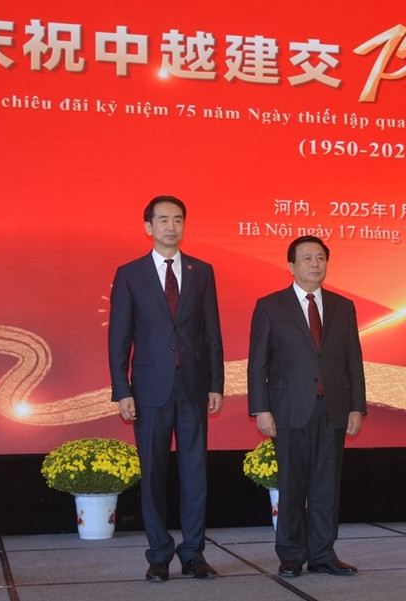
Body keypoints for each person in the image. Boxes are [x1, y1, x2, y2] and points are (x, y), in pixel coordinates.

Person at [108, 195, 224, 583]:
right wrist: (122, 389)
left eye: (177, 219)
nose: (171, 226)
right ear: (148, 227)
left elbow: (212, 332)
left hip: (193, 386)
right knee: (153, 475)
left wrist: (216, 383)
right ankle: (159, 555)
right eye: (163, 220)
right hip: (148, 389)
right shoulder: (130, 273)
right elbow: (119, 337)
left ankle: (193, 555)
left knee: (195, 475)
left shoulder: (201, 271)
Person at [247, 235, 367, 578]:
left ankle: (323, 554)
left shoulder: (343, 307)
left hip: (334, 409)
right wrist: (261, 409)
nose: (315, 264)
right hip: (288, 409)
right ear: (291, 265)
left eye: (320, 258)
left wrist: (357, 407)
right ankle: (290, 555)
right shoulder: (271, 306)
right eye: (307, 258)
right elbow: (258, 363)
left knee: (327, 487)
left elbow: (353, 361)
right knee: (292, 485)